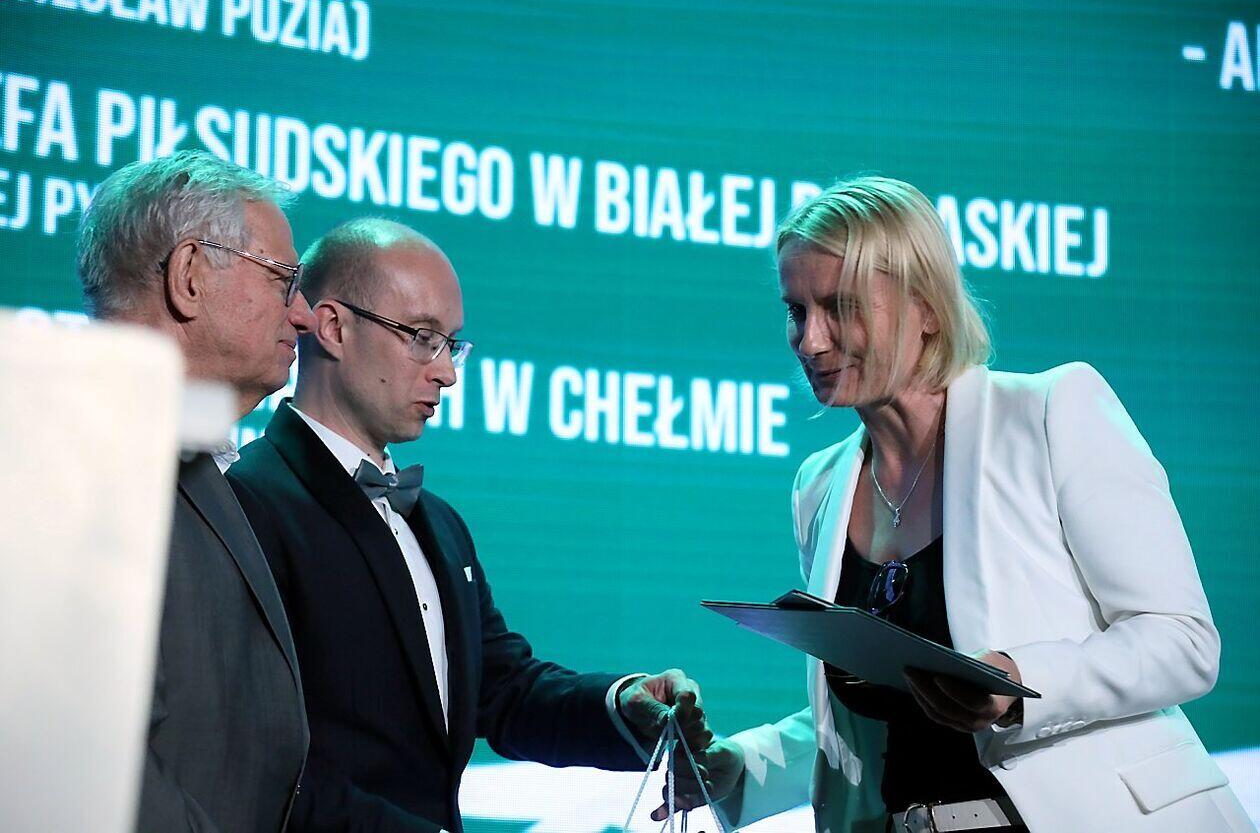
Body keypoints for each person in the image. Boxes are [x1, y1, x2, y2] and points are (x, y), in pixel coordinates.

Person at [665, 177, 1253, 832]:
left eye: (840, 307)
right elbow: (869, 721)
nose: (810, 341)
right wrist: (737, 767)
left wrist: (1017, 682)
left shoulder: (1050, 412)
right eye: (797, 311)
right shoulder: (820, 484)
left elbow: (1182, 640)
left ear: (927, 307)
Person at [227, 218, 711, 833]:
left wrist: (623, 705)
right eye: (422, 338)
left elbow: (501, 689)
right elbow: (259, 760)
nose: (447, 372)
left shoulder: (439, 522)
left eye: (452, 345)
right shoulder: (247, 503)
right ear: (333, 327)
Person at [75, 150, 314, 832]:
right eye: (283, 280)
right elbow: (95, 763)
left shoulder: (195, 468)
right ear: (189, 277)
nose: (302, 314)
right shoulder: (80, 463)